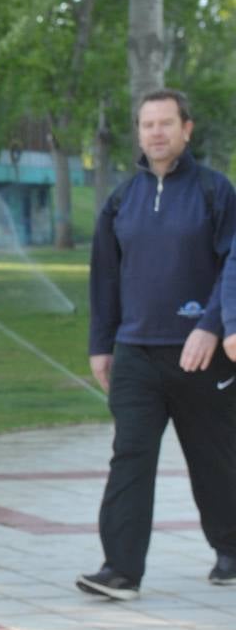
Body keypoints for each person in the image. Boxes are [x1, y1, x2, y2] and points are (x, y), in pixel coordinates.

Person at [83, 87, 236, 601]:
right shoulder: (121, 200)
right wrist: (101, 345)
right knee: (129, 455)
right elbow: (104, 277)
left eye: (166, 123)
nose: (156, 132)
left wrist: (212, 326)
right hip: (135, 353)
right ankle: (120, 569)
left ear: (186, 129)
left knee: (215, 458)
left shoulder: (217, 193)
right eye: (147, 124)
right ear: (139, 132)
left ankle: (232, 551)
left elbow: (233, 269)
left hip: (201, 353)